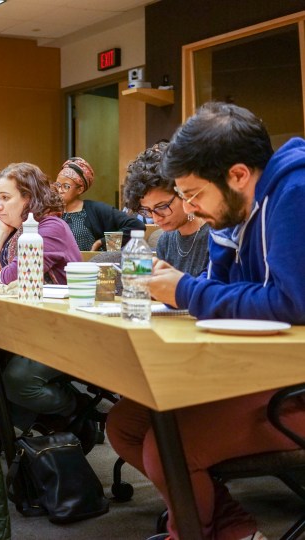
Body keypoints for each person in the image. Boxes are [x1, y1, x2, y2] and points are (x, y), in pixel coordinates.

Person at [108, 102, 305, 540]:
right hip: (254, 368)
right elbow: (220, 292)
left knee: (169, 445)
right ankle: (232, 528)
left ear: (237, 175)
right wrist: (180, 287)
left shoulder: (295, 193)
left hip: (293, 384)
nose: (190, 209)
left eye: (194, 195)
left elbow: (293, 303)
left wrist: (185, 290)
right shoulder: (231, 212)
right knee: (126, 425)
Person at [0, 163, 83, 428]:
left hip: (65, 331)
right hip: (25, 328)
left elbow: (12, 277)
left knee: (18, 381)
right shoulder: (15, 233)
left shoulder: (51, 227)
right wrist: (1, 232)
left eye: (5, 198)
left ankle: (76, 409)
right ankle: (6, 435)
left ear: (29, 198)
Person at [122, 142, 210, 277]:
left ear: (185, 193)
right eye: (146, 210)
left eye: (162, 206)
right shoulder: (165, 241)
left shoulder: (216, 236)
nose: (156, 218)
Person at [56, 157, 144, 251]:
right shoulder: (51, 212)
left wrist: (104, 242)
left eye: (66, 186)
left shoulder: (95, 209)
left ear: (80, 189)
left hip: (90, 260)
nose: (60, 190)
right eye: (57, 185)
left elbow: (137, 226)